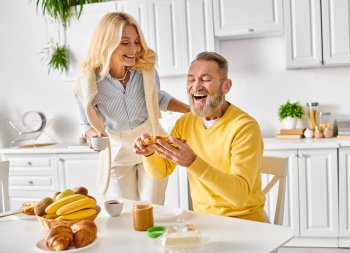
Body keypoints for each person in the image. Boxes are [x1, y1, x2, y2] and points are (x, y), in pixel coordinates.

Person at [133, 52, 266, 221]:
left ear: (226, 86)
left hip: (244, 222)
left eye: (205, 79)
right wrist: (149, 153)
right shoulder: (185, 122)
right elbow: (160, 171)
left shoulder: (244, 127)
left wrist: (192, 162)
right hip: (202, 222)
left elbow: (239, 196)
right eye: (191, 79)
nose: (196, 86)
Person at [74, 12, 189, 204]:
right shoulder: (88, 82)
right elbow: (84, 123)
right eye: (125, 42)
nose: (134, 49)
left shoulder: (144, 68)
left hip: (151, 141)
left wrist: (190, 109)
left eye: (136, 42)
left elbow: (156, 97)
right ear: (106, 43)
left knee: (153, 208)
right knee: (126, 210)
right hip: (117, 148)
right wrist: (93, 137)